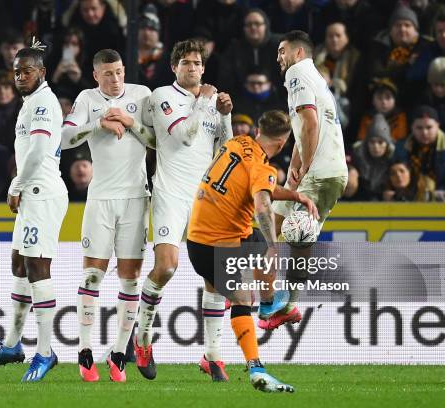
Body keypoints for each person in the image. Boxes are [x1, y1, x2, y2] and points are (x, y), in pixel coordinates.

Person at [187, 110, 317, 390]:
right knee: (243, 296)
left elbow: (260, 188)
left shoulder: (236, 143)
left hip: (199, 236)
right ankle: (257, 370)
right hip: (215, 244)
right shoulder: (262, 168)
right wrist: (274, 246)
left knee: (254, 242)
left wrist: (294, 194)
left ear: (259, 130)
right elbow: (262, 204)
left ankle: (267, 307)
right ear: (282, 144)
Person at [134, 39, 233, 381]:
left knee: (215, 276)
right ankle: (142, 338)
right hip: (170, 195)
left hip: (204, 199)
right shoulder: (163, 96)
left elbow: (224, 149)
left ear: (204, 68)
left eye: (197, 63)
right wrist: (206, 102)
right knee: (166, 267)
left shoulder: (208, 103)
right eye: (186, 63)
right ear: (174, 67)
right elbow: (184, 137)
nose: (192, 68)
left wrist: (226, 115)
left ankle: (213, 354)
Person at [61, 49, 154, 382]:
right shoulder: (87, 98)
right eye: (108, 73)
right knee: (92, 277)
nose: (115, 79)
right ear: (96, 75)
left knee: (130, 279)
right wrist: (99, 123)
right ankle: (85, 351)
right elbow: (64, 137)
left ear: (124, 69)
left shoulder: (143, 96)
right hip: (99, 199)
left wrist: (130, 122)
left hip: (135, 199)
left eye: (119, 72)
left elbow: (157, 141)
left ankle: (118, 353)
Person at [0, 39, 69, 383]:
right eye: (16, 72)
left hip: (42, 193)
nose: (20, 77)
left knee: (37, 266)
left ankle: (45, 352)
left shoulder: (44, 102)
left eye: (27, 71)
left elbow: (37, 152)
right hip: (32, 194)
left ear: (42, 73)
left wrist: (15, 185)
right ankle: (13, 344)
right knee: (19, 264)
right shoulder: (31, 101)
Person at [266, 30, 348, 330]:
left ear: (298, 53)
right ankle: (273, 297)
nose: (278, 58)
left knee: (298, 234)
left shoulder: (297, 74)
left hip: (321, 171)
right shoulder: (316, 79)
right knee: (272, 223)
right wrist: (295, 167)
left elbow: (311, 123)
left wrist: (307, 165)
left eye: (282, 51)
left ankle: (283, 302)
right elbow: (306, 131)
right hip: (328, 170)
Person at [394, 105, 445, 201]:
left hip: (442, 198)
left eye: (429, 127)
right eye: (419, 128)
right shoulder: (401, 146)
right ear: (412, 128)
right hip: (409, 198)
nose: (424, 133)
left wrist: (432, 196)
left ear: (437, 126)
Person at [351, 114, 395, 200]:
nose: (376, 146)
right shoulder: (357, 161)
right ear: (366, 144)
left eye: (380, 142)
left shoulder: (394, 163)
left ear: (387, 145)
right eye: (372, 142)